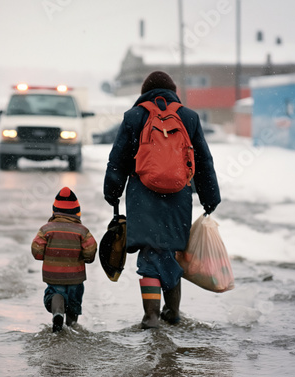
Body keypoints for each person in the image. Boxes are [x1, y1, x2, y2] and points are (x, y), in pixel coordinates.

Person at [103, 71, 221, 329]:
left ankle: (152, 315)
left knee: (149, 254)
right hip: (178, 195)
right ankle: (173, 311)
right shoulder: (188, 117)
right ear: (173, 90)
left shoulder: (134, 117)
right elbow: (203, 161)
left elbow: (118, 159)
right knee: (169, 251)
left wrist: (112, 193)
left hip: (142, 195)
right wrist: (210, 197)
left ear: (144, 91)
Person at [31, 187, 98, 332]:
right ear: (77, 212)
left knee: (56, 294)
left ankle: (58, 313)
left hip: (54, 276)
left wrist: (46, 256)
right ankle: (71, 327)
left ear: (54, 211)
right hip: (75, 277)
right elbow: (91, 250)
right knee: (74, 302)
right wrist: (86, 258)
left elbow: (36, 250)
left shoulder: (46, 230)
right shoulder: (83, 231)